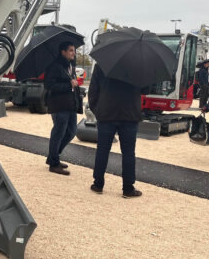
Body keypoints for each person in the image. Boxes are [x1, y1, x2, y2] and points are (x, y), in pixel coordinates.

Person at [88, 64, 143, 198]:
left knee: (102, 149)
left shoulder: (102, 63)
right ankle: (128, 188)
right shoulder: (137, 65)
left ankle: (98, 184)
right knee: (129, 152)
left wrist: (97, 110)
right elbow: (145, 89)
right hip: (129, 113)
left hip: (106, 113)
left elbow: (93, 90)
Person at [43, 42, 81, 175]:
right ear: (63, 52)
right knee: (58, 133)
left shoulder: (70, 65)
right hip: (59, 105)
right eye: (71, 50)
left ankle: (53, 156)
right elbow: (49, 85)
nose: (73, 53)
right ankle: (54, 163)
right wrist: (68, 84)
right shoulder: (55, 66)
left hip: (70, 104)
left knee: (71, 132)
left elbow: (72, 84)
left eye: (74, 50)